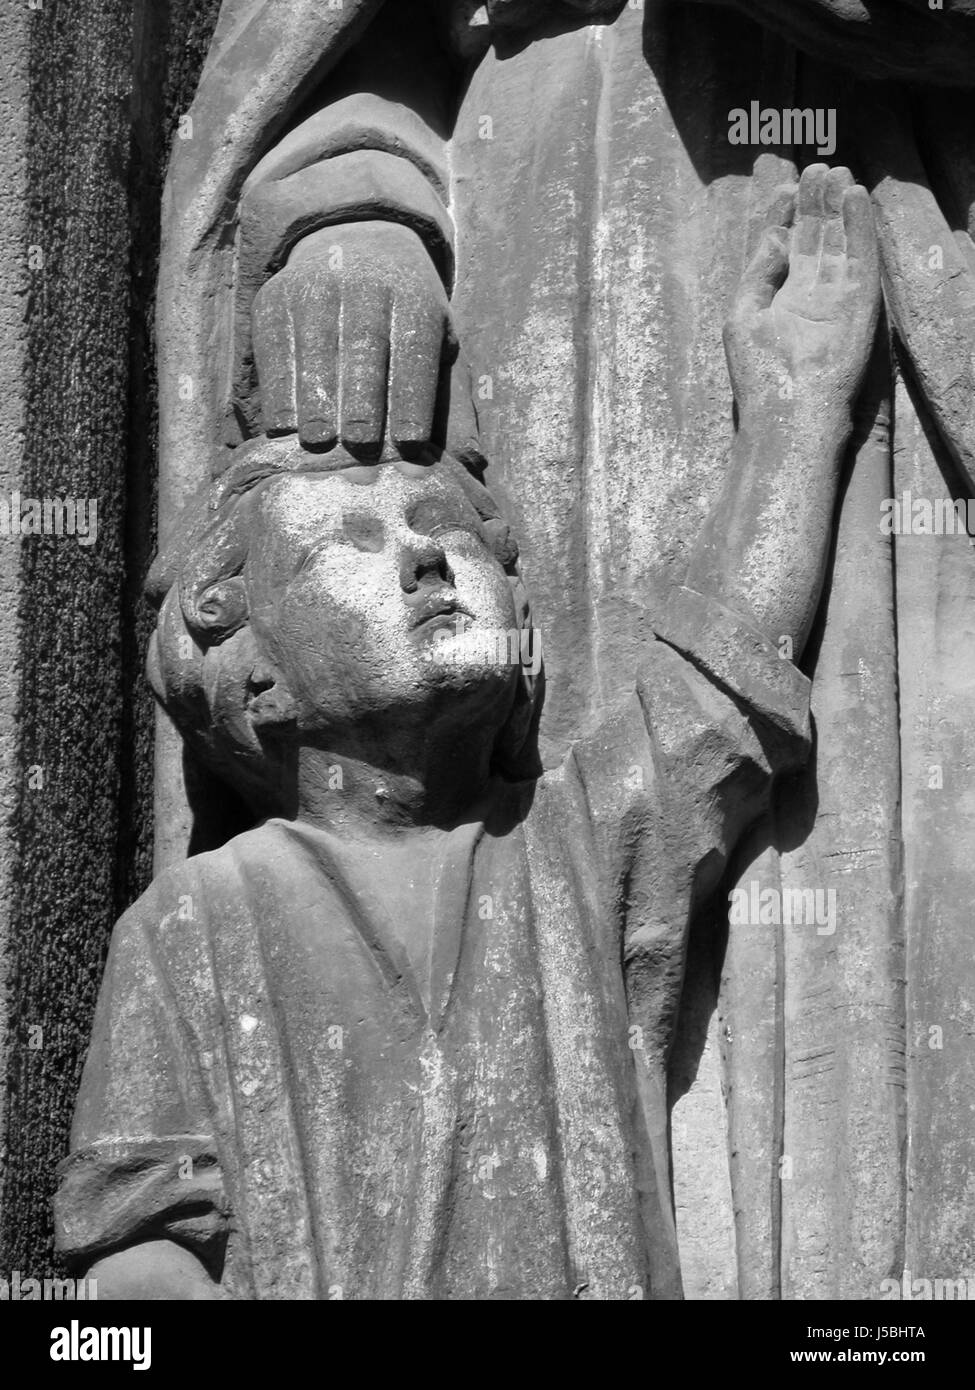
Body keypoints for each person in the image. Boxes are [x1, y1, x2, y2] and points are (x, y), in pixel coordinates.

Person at [56, 166, 880, 1298]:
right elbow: (137, 1255)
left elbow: (717, 686)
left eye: (450, 524)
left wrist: (797, 415)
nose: (426, 554)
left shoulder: (569, 854)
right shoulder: (189, 927)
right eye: (349, 535)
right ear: (245, 654)